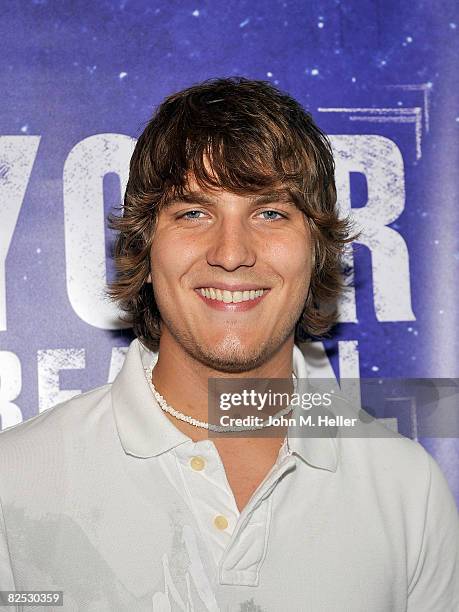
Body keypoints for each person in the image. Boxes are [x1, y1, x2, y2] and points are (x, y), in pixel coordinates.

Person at [0, 77, 457, 611]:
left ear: (317, 250)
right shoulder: (17, 480)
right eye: (194, 213)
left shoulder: (408, 491)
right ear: (146, 249)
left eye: (270, 213)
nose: (232, 252)